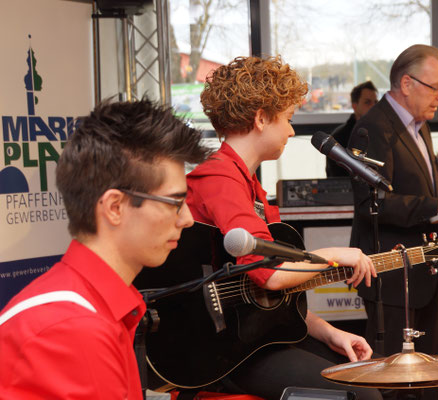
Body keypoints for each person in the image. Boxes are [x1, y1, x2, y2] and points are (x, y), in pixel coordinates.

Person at [186, 55, 382, 400]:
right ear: (261, 118)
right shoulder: (220, 177)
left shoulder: (247, 184)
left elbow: (272, 300)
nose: (292, 131)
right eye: (289, 119)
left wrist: (327, 332)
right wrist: (335, 254)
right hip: (222, 352)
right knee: (363, 395)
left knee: (368, 378)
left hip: (254, 339)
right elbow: (270, 275)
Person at [0, 99, 209, 399]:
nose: (187, 219)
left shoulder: (90, 309)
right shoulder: (74, 328)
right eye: (175, 202)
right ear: (115, 207)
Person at [348, 44, 438, 399]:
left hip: (425, 269)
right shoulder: (371, 128)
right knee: (396, 385)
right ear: (406, 84)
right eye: (436, 87)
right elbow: (371, 203)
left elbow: (425, 188)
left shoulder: (419, 124)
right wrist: (435, 203)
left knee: (430, 378)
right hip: (391, 277)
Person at [326, 80, 378, 177]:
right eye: (367, 102)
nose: (374, 106)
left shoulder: (382, 134)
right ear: (355, 106)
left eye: (376, 102)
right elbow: (337, 179)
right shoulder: (339, 138)